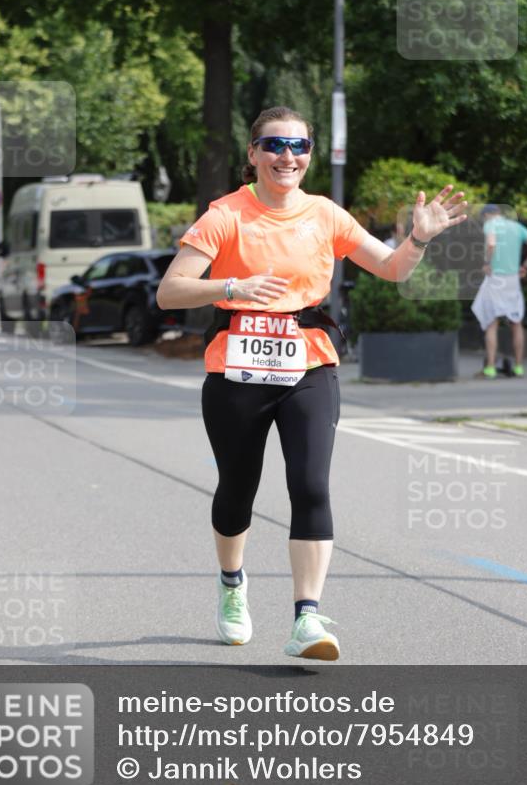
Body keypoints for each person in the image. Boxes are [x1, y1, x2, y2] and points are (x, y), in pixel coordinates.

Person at [156, 105, 467, 660]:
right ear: (252, 154)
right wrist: (232, 284)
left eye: (299, 147)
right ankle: (232, 586)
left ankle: (307, 618)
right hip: (236, 369)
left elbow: (392, 270)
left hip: (308, 365)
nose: (287, 157)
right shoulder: (225, 215)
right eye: (274, 145)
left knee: (311, 484)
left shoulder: (326, 215)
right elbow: (170, 290)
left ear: (309, 156)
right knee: (237, 491)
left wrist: (418, 240)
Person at [471, 204, 527, 378]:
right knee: (516, 322)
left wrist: (487, 263)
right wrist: (525, 266)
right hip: (513, 280)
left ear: (487, 215)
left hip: (496, 278)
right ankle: (519, 367)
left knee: (492, 323)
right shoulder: (515, 226)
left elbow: (491, 244)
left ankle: (489, 368)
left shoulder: (491, 224)